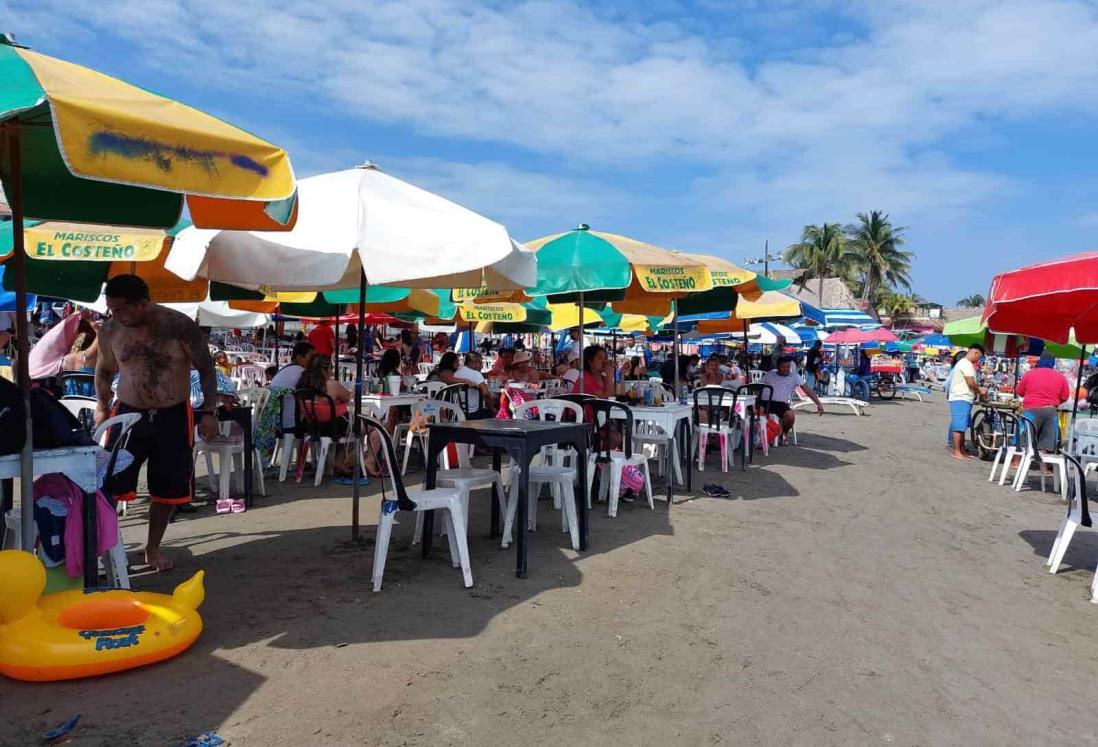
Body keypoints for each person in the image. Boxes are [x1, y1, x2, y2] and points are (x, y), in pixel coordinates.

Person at [94, 275, 220, 572]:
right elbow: (103, 369)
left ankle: (153, 548)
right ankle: (109, 549)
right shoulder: (111, 329)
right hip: (127, 414)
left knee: (167, 488)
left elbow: (206, 367)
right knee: (110, 483)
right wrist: (101, 406)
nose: (116, 316)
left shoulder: (177, 325)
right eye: (111, 309)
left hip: (172, 414)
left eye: (121, 309)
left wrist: (210, 411)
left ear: (142, 302)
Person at [297, 356, 359, 482]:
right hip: (334, 426)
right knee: (368, 428)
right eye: (331, 367)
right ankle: (366, 462)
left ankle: (340, 461)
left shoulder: (302, 385)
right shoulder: (331, 385)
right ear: (325, 370)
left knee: (353, 426)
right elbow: (348, 397)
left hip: (312, 426)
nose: (332, 370)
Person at [759, 356, 825, 441]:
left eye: (788, 367)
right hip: (765, 402)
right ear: (778, 366)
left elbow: (807, 390)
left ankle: (784, 433)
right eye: (783, 367)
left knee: (790, 416)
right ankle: (764, 435)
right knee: (755, 411)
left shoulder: (795, 376)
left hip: (781, 404)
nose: (786, 369)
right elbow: (758, 386)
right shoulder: (770, 374)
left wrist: (818, 403)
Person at [1016, 355, 1070, 453]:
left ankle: (1016, 461)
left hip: (1031, 411)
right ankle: (1043, 465)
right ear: (1053, 364)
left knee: (1023, 439)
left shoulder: (1030, 374)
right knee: (1046, 444)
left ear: (1039, 362)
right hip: (1050, 410)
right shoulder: (1060, 377)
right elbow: (1065, 397)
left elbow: (1019, 391)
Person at [947, 344, 987, 460]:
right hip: (961, 397)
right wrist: (980, 391)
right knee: (959, 426)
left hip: (964, 397)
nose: (978, 359)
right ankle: (956, 451)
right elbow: (970, 382)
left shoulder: (965, 364)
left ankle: (961, 450)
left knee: (963, 426)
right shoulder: (965, 364)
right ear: (975, 353)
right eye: (979, 357)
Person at [269, 342, 317, 434]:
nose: (314, 361)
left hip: (277, 421)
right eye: (311, 357)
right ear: (299, 357)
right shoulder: (301, 372)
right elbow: (313, 394)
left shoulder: (284, 369)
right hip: (291, 422)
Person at [452, 351, 495, 418]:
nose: (481, 366)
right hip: (475, 414)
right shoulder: (476, 374)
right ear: (472, 363)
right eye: (480, 363)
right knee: (494, 413)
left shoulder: (456, 374)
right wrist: (492, 408)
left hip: (457, 413)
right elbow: (486, 393)